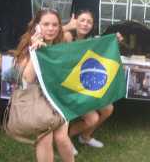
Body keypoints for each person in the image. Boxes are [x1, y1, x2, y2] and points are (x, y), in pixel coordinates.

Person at [14, 9, 75, 162]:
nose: (51, 28)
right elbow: (27, 78)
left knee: (61, 137)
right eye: (46, 24)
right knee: (45, 138)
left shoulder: (62, 44)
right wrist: (35, 51)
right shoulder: (28, 47)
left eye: (55, 25)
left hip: (58, 98)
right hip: (37, 100)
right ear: (37, 26)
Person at [63, 9, 115, 149]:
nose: (85, 24)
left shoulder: (92, 41)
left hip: (84, 87)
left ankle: (84, 137)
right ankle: (65, 139)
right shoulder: (67, 36)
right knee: (93, 118)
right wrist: (68, 26)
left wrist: (115, 41)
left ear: (92, 25)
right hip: (68, 89)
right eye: (82, 20)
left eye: (89, 22)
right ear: (76, 21)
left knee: (108, 109)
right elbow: (48, 34)